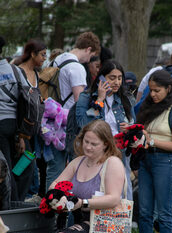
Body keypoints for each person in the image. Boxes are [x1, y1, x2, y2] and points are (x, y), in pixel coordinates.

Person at [47, 120, 125, 233]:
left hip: (104, 224)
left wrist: (83, 203)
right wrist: (57, 196)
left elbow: (114, 199)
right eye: (86, 141)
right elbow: (55, 184)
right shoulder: (79, 161)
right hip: (80, 223)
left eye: (93, 144)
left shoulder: (112, 163)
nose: (88, 147)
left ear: (105, 144)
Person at [127, 69, 172, 233]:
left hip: (166, 162)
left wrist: (150, 140)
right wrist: (133, 132)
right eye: (151, 90)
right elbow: (143, 132)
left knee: (163, 212)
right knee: (144, 210)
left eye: (157, 90)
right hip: (146, 160)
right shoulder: (148, 106)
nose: (153, 94)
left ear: (168, 89)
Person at [45, 32, 101, 189]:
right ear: (88, 49)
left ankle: (49, 206)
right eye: (92, 56)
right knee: (72, 167)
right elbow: (79, 101)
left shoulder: (57, 60)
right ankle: (62, 210)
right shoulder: (77, 68)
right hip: (67, 123)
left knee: (54, 168)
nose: (89, 61)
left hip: (50, 120)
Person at [75, 59, 136, 200]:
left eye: (120, 78)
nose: (117, 82)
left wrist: (129, 128)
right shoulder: (86, 97)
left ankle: (123, 219)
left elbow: (134, 123)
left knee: (123, 188)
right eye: (112, 78)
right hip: (97, 150)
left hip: (120, 150)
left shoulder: (125, 98)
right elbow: (84, 124)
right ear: (101, 78)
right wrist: (100, 100)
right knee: (99, 187)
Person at [0, 36, 41, 202]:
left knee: (6, 168)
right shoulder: (15, 70)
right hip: (19, 126)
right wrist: (23, 135)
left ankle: (11, 205)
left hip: (1, 127)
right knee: (26, 163)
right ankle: (19, 201)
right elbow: (28, 99)